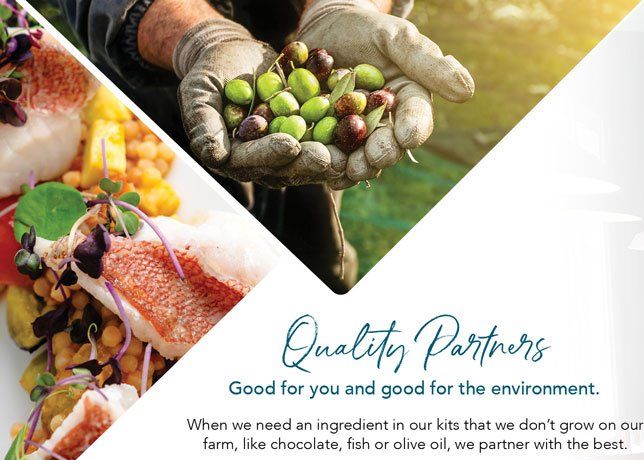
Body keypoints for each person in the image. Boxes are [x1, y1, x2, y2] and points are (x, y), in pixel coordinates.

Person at [59, 0, 473, 291]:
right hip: (161, 75)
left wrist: (345, 5)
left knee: (315, 249)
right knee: (194, 255)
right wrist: (200, 37)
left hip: (295, 35)